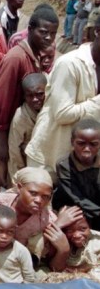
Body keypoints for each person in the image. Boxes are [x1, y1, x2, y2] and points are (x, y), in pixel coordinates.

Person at [0, 7, 59, 190]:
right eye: (43, 32)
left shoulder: (34, 54)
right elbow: (0, 101)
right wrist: (2, 143)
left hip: (11, 129)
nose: (49, 38)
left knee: (10, 179)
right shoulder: (16, 58)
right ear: (30, 29)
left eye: (53, 34)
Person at [0, 167, 80, 285]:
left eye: (45, 196)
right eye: (33, 193)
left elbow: (53, 267)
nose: (39, 200)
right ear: (19, 187)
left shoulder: (47, 220)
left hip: (23, 268)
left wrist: (64, 250)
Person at [26, 16, 100, 177]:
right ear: (97, 32)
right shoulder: (70, 64)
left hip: (83, 163)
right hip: (50, 159)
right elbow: (63, 113)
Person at [53, 119, 100, 231]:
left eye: (93, 144)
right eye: (81, 143)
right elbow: (77, 198)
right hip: (77, 207)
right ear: (72, 142)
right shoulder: (64, 165)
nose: (87, 149)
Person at [0, 205, 36, 284]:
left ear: (15, 230)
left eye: (10, 232)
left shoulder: (21, 251)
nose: (4, 236)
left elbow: (29, 279)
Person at [8, 73, 47, 181]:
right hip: (29, 163)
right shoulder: (21, 116)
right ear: (24, 96)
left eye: (39, 94)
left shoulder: (51, 110)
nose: (35, 99)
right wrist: (20, 176)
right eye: (30, 96)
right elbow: (14, 150)